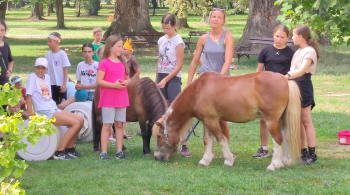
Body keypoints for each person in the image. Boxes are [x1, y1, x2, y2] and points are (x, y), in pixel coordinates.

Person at [187, 8, 234, 157]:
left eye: (219, 17)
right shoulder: (203, 38)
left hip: (222, 79)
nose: (215, 19)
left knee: (222, 119)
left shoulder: (228, 37)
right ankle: (209, 150)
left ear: (223, 21)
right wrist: (189, 82)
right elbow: (195, 62)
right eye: (213, 16)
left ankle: (226, 150)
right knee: (206, 117)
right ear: (209, 19)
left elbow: (227, 61)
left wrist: (219, 79)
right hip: (205, 79)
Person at [26, 57, 84, 160]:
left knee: (81, 120)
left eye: (43, 68)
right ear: (34, 67)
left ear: (46, 69)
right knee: (75, 123)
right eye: (38, 67)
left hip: (52, 108)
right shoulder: (32, 77)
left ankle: (69, 149)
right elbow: (29, 96)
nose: (40, 70)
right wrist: (30, 114)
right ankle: (59, 152)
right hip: (43, 111)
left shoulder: (47, 77)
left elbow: (47, 96)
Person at [252, 25, 295, 158]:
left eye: (282, 37)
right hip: (266, 89)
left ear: (287, 38)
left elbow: (293, 71)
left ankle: (282, 149)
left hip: (283, 88)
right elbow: (259, 71)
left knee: (283, 118)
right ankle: (264, 148)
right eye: (277, 36)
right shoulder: (266, 50)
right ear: (273, 35)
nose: (279, 39)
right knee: (263, 119)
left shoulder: (291, 53)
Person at [284, 24, 319, 165]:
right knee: (298, 122)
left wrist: (285, 77)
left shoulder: (310, 52)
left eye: (293, 35)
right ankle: (302, 151)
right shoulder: (298, 51)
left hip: (303, 86)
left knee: (306, 121)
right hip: (294, 86)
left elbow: (300, 71)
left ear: (301, 36)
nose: (292, 37)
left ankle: (312, 154)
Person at [96, 35, 131, 160]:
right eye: (119, 46)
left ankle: (119, 151)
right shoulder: (104, 63)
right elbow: (99, 81)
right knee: (107, 125)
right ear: (111, 47)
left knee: (120, 124)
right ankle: (103, 152)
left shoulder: (122, 62)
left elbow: (128, 78)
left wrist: (127, 82)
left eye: (122, 47)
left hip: (121, 98)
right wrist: (114, 85)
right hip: (108, 99)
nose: (121, 49)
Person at [156, 13, 186, 155]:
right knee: (163, 109)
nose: (165, 31)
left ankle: (183, 143)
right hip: (161, 75)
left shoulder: (178, 41)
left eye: (168, 28)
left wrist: (166, 79)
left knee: (174, 111)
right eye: (163, 28)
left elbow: (179, 65)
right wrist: (157, 78)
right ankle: (165, 139)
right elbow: (160, 59)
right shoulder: (161, 40)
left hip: (173, 77)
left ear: (174, 26)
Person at [58, 43, 98, 110]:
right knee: (61, 106)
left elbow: (98, 85)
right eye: (85, 52)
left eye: (89, 52)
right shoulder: (80, 65)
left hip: (94, 93)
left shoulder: (97, 65)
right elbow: (79, 81)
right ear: (82, 53)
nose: (87, 54)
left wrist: (84, 87)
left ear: (93, 53)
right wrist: (78, 86)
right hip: (82, 93)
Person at [45, 32, 71, 105]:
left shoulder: (62, 54)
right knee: (53, 102)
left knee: (62, 103)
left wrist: (64, 84)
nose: (48, 43)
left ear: (57, 42)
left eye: (50, 41)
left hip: (60, 83)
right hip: (51, 83)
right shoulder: (48, 55)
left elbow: (65, 69)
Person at [0, 20, 14, 86]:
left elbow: (11, 60)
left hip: (4, 82)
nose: (0, 33)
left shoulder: (6, 46)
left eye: (2, 30)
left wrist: (10, 70)